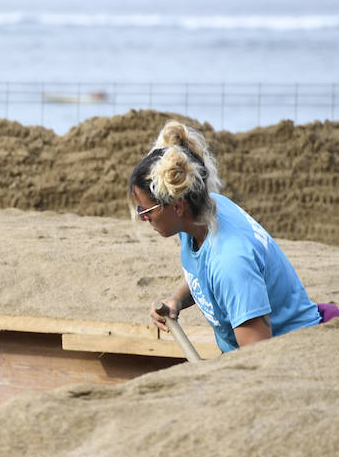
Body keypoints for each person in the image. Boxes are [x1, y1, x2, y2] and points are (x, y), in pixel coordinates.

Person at [129, 120, 336, 354]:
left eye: (145, 211)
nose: (143, 219)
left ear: (177, 207)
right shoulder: (204, 214)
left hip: (294, 350)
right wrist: (176, 299)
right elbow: (208, 274)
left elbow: (259, 358)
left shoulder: (231, 262)